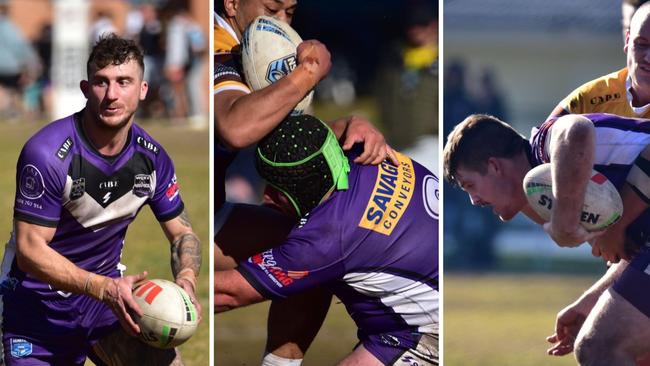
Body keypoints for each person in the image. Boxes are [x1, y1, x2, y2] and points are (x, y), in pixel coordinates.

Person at [0, 34, 201, 365]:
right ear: (84, 88)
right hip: (35, 311)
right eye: (101, 82)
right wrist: (104, 288)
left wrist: (187, 281)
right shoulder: (48, 153)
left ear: (143, 89)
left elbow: (183, 234)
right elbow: (30, 251)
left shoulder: (152, 158)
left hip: (104, 308)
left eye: (124, 82)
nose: (112, 94)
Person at [215, 0, 398, 364]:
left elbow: (286, 137)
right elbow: (237, 128)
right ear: (232, 4)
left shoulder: (251, 47)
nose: (282, 22)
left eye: (291, 12)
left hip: (211, 215)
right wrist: (308, 72)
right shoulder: (218, 43)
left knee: (310, 251)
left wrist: (348, 125)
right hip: (184, 215)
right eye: (272, 9)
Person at [216, 114, 439, 366]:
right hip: (430, 296)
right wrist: (356, 119)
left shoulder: (327, 236)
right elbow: (339, 125)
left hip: (425, 336)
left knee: (298, 263)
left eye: (273, 189)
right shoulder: (359, 149)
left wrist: (178, 288)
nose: (266, 197)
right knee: (298, 262)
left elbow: (230, 293)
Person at [443, 112, 650, 365]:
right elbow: (635, 255)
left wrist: (568, 222)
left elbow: (576, 129)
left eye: (470, 185)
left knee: (600, 348)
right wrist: (591, 300)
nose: (474, 201)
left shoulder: (544, 148)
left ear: (495, 166)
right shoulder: (559, 184)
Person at [544, 3, 650, 364]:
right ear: (626, 41)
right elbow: (547, 144)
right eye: (642, 44)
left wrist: (614, 225)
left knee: (601, 347)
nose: (649, 56)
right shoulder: (591, 97)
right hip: (638, 252)